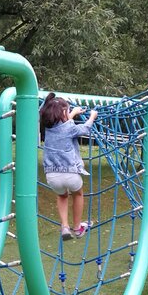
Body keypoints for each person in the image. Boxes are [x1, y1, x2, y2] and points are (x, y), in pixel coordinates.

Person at [39, 92, 98, 241]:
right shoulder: (70, 128)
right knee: (77, 194)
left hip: (52, 176)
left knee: (62, 196)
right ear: (63, 113)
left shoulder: (48, 129)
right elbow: (84, 129)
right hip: (70, 174)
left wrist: (72, 112)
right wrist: (92, 117)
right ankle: (77, 228)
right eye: (68, 110)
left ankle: (65, 226)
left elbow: (63, 125)